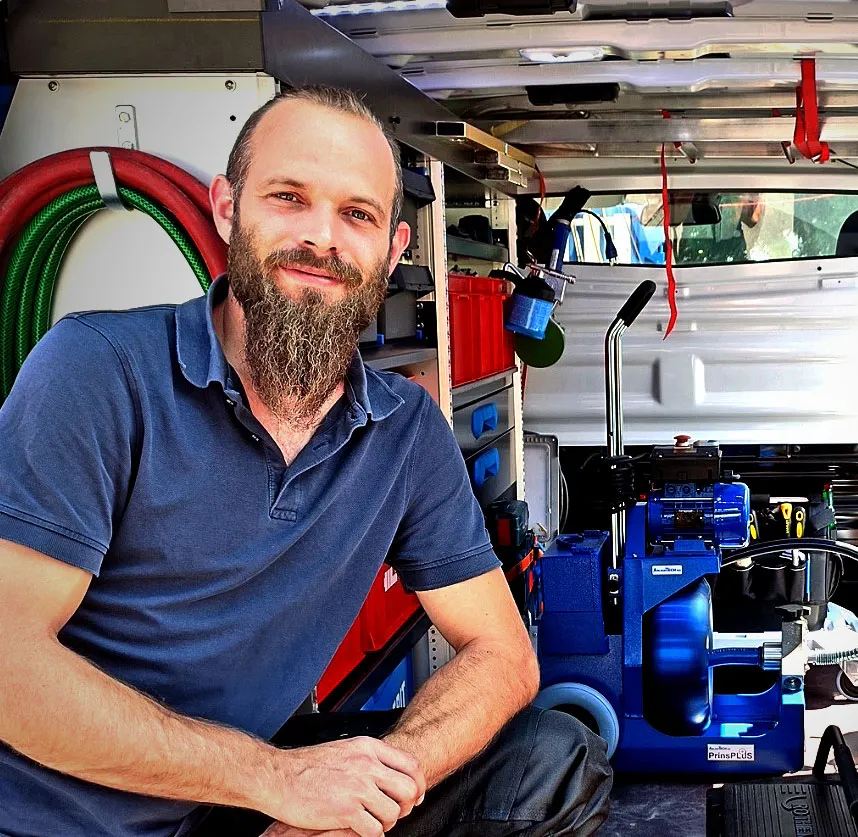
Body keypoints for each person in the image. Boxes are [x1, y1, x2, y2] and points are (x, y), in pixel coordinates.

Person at [0, 86, 611, 837]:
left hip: (241, 808)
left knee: (551, 757)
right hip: (58, 818)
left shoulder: (404, 429)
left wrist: (367, 796)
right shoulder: (98, 370)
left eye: (357, 214)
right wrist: (275, 779)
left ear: (393, 248)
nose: (322, 238)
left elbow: (503, 653)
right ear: (228, 208)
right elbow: (7, 665)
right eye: (289, 197)